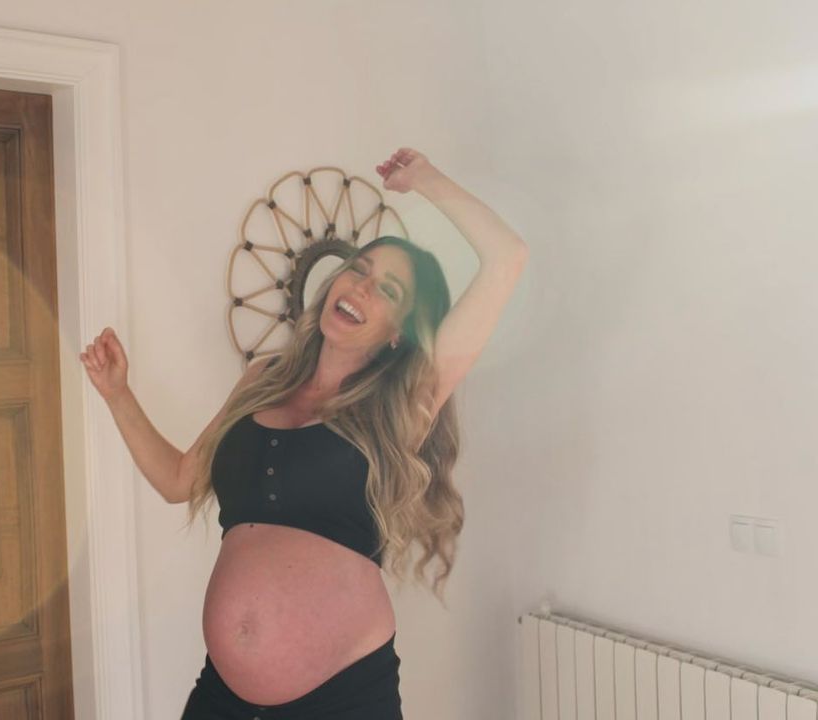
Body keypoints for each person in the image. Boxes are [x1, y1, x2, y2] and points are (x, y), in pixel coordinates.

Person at [80, 148, 528, 719]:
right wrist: (117, 394)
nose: (362, 289)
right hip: (223, 699)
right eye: (359, 271)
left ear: (398, 333)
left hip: (342, 701)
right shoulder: (263, 379)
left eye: (388, 292)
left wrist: (425, 179)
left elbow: (507, 257)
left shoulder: (402, 405)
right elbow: (178, 480)